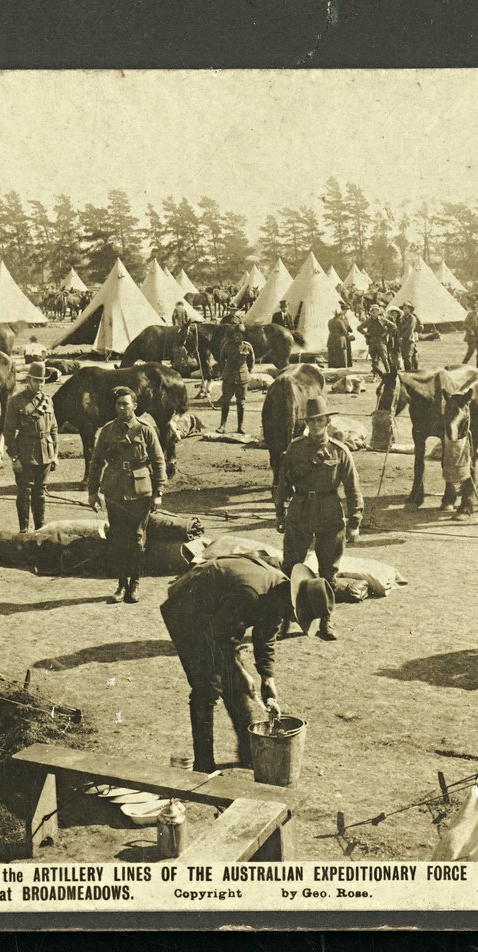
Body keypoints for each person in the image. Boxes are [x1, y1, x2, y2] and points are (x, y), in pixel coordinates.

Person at [160, 555, 334, 772]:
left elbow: (266, 636)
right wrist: (239, 670)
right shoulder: (252, 594)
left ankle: (247, 752)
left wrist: (267, 677)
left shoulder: (278, 593)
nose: (294, 619)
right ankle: (203, 765)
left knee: (233, 680)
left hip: (217, 611)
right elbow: (216, 638)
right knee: (207, 686)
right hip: (187, 606)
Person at [274, 396, 363, 639]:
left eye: (319, 421)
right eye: (311, 421)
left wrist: (355, 521)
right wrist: (279, 511)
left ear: (327, 421)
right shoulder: (295, 448)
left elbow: (353, 488)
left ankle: (326, 620)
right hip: (300, 511)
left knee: (329, 571)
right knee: (290, 568)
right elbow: (283, 482)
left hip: (329, 512)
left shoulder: (339, 451)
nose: (315, 425)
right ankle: (285, 620)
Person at [88, 386, 166, 604]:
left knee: (137, 539)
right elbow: (96, 463)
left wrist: (158, 491)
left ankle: (135, 584)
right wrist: (92, 492)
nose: (121, 408)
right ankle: (122, 584)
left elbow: (159, 461)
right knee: (118, 539)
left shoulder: (145, 430)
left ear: (135, 406)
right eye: (118, 404)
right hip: (114, 490)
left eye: (125, 404)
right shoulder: (107, 431)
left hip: (141, 491)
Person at [3, 360, 59, 534]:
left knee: (40, 492)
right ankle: (24, 530)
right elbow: (8, 431)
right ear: (28, 380)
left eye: (42, 381)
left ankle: (40, 528)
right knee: (25, 492)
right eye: (36, 380)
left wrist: (55, 454)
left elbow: (54, 428)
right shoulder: (16, 401)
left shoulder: (48, 401)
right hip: (25, 453)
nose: (40, 384)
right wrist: (14, 458)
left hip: (46, 452)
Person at [216, 323, 255, 434]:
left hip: (242, 378)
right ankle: (222, 426)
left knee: (241, 403)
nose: (237, 337)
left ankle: (240, 427)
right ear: (233, 336)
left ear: (243, 336)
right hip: (228, 378)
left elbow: (251, 361)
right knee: (225, 401)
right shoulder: (227, 345)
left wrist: (247, 372)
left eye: (240, 335)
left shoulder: (247, 346)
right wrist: (225, 371)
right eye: (236, 335)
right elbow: (221, 358)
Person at [358, 304, 399, 378]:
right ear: (371, 312)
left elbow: (394, 326)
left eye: (376, 311)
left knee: (384, 358)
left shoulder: (382, 319)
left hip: (381, 341)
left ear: (378, 312)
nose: (374, 313)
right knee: (374, 359)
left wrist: (386, 332)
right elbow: (359, 328)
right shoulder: (368, 321)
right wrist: (366, 333)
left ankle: (389, 373)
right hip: (372, 341)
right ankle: (375, 374)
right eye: (373, 311)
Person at [326, 303, 354, 369]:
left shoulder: (330, 321)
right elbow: (344, 331)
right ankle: (342, 369)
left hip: (331, 339)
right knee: (341, 357)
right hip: (340, 340)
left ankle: (333, 368)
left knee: (333, 356)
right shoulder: (339, 321)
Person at [463, 298, 478, 369]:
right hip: (472, 336)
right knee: (470, 351)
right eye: (477, 307)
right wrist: (470, 331)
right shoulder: (471, 314)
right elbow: (465, 324)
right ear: (475, 307)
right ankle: (463, 364)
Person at [397, 301, 421, 371]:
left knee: (408, 356)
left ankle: (409, 371)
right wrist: (399, 336)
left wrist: (402, 336)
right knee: (405, 357)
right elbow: (399, 328)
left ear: (410, 309)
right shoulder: (402, 318)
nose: (405, 310)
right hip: (403, 340)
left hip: (409, 339)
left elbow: (410, 329)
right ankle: (409, 371)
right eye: (404, 308)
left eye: (406, 308)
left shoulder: (412, 318)